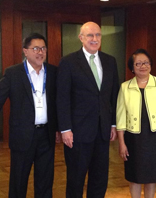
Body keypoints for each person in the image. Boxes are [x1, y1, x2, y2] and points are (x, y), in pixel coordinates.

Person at [0, 33, 58, 198]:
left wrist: (61, 128)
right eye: (36, 48)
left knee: (45, 182)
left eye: (43, 48)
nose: (40, 52)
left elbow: (60, 102)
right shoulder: (13, 73)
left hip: (46, 135)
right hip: (22, 137)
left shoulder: (53, 72)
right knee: (18, 183)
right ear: (25, 51)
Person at [57, 21, 119, 198]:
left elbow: (113, 95)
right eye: (90, 35)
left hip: (102, 131)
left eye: (98, 35)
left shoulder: (110, 61)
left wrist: (113, 123)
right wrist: (65, 129)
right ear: (81, 38)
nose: (94, 39)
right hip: (77, 132)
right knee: (76, 179)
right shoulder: (68, 62)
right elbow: (62, 98)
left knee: (100, 179)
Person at [116, 49, 156, 198]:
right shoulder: (125, 87)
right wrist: (121, 143)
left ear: (151, 64)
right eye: (138, 63)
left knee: (151, 176)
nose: (143, 66)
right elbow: (120, 117)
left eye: (146, 62)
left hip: (155, 137)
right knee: (134, 175)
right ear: (132, 67)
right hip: (133, 138)